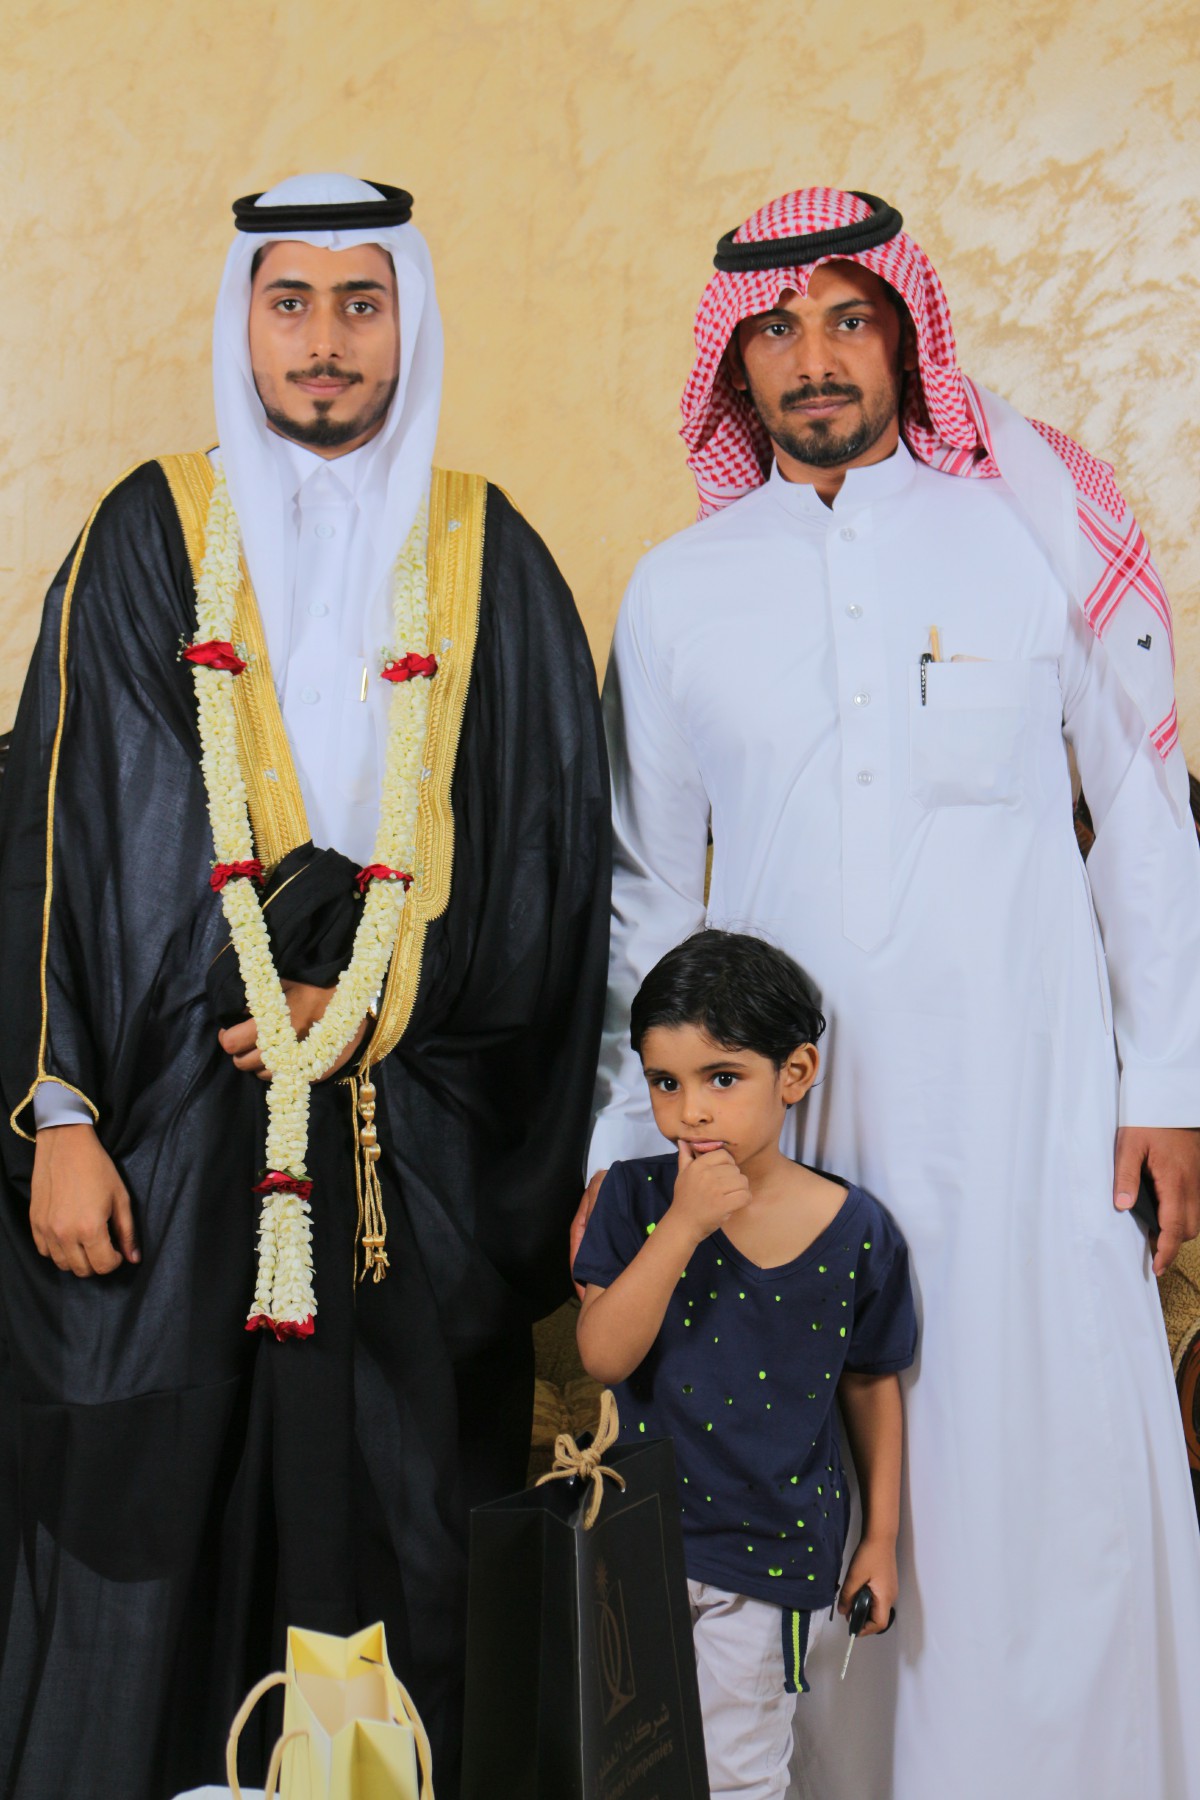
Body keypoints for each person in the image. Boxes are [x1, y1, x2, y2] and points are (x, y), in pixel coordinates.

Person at [579, 188, 1200, 1797]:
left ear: (906, 333)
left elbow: (1144, 811)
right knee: (809, 1473)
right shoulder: (678, 588)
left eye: (850, 319)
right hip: (793, 1137)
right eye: (778, 330)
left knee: (1044, 1461)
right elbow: (648, 890)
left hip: (1034, 1109)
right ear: (734, 367)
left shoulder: (1029, 531)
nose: (816, 359)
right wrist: (630, 1147)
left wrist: (1165, 1086)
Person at [0, 173, 610, 1800]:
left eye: (360, 302)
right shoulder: (149, 534)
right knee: (173, 1519)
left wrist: (382, 995)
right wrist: (62, 1112)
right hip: (181, 1142)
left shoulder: (488, 551)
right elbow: (69, 834)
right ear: (244, 323)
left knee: (408, 1524)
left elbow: (550, 868)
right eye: (291, 303)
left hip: (418, 1143)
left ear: (408, 320)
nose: (325, 341)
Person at [575, 929, 916, 1800]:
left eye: (721, 1079)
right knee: (626, 1768)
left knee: (738, 1775)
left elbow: (870, 1384)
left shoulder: (857, 1232)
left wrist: (879, 1539)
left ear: (794, 1074)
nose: (690, 1111)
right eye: (666, 1083)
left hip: (768, 1563)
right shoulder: (633, 1199)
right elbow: (604, 1354)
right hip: (634, 1546)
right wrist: (684, 1226)